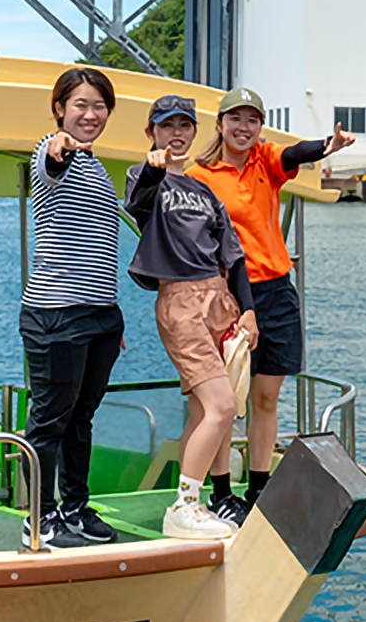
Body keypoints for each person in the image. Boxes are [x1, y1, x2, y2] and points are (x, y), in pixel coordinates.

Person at [188, 88, 354, 509]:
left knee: (265, 397)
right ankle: (222, 491)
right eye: (235, 119)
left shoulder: (265, 162)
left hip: (276, 292)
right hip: (226, 297)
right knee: (225, 401)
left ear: (259, 127)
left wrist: (325, 146)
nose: (243, 128)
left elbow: (296, 153)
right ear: (220, 124)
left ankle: (259, 487)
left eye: (251, 120)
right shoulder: (200, 176)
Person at [124, 95, 259, 539]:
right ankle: (183, 505)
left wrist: (249, 313)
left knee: (203, 409)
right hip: (180, 300)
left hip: (220, 299)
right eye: (167, 127)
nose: (176, 134)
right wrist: (154, 166)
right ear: (152, 133)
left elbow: (234, 258)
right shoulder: (146, 179)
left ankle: (197, 503)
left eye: (184, 126)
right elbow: (139, 201)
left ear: (195, 132)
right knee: (223, 406)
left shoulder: (205, 192)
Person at [19, 67, 125, 550]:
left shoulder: (97, 166)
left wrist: (109, 316)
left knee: (82, 417)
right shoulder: (51, 151)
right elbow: (51, 159)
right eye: (80, 104)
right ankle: (37, 519)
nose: (91, 114)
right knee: (50, 419)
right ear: (60, 108)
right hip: (57, 314)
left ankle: (75, 509)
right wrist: (59, 146)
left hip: (99, 315)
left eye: (99, 106)